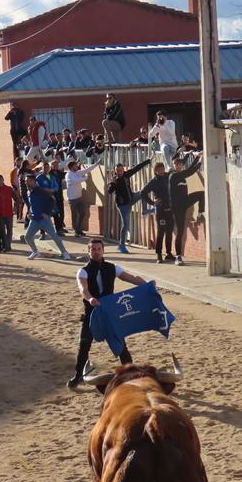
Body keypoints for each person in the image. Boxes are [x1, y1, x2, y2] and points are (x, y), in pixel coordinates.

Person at [67, 238, 148, 390]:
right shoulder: (83, 271)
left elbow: (131, 278)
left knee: (120, 344)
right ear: (88, 251)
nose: (96, 251)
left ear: (103, 250)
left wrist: (147, 285)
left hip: (110, 313)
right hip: (92, 312)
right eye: (93, 249)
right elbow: (83, 289)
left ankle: (131, 374)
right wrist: (90, 298)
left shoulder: (113, 268)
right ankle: (78, 375)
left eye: (99, 249)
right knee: (84, 344)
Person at [107, 158, 151, 254]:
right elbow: (110, 192)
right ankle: (121, 245)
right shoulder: (115, 180)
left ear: (123, 169)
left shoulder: (126, 174)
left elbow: (136, 168)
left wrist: (147, 161)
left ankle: (145, 210)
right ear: (115, 171)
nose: (119, 172)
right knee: (125, 225)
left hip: (131, 198)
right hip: (123, 205)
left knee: (143, 192)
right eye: (117, 171)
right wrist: (113, 183)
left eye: (121, 170)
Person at [23, 174, 71, 261]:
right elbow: (31, 205)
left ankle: (65, 253)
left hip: (44, 220)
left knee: (54, 237)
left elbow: (52, 200)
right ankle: (35, 252)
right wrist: (29, 213)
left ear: (34, 181)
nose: (26, 183)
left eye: (28, 181)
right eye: (26, 181)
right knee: (28, 237)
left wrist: (47, 213)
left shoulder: (41, 191)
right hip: (34, 219)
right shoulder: (29, 192)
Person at [169, 154, 205, 265]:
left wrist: (197, 158)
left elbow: (188, 170)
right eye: (177, 164)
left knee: (201, 194)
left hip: (185, 201)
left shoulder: (181, 174)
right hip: (177, 207)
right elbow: (189, 172)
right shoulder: (173, 176)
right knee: (180, 232)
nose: (178, 166)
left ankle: (200, 214)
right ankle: (178, 257)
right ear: (174, 165)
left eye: (180, 164)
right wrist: (199, 162)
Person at [142, 163, 175, 263]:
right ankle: (159, 254)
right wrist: (152, 202)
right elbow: (143, 192)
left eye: (162, 169)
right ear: (155, 171)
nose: (161, 171)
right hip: (160, 211)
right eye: (159, 169)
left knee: (169, 232)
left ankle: (168, 253)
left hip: (170, 209)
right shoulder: (154, 181)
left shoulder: (167, 176)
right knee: (161, 232)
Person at [65, 157, 100, 237]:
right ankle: (76, 230)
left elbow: (87, 170)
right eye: (75, 165)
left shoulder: (77, 173)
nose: (77, 166)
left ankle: (79, 229)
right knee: (75, 215)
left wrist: (96, 164)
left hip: (79, 198)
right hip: (72, 199)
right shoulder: (68, 175)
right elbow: (75, 181)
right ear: (71, 167)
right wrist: (85, 178)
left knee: (82, 213)